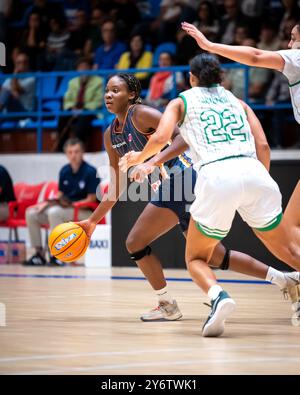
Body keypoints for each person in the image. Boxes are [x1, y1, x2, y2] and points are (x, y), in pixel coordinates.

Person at [77, 72, 300, 324]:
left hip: (185, 176)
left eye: (115, 90)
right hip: (181, 186)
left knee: (135, 242)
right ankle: (285, 279)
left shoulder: (141, 114)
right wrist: (92, 222)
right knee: (214, 256)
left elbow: (185, 137)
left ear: (131, 95)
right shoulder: (110, 135)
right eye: (107, 90)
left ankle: (168, 305)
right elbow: (117, 184)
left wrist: (150, 161)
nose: (108, 94)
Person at [181, 20, 300, 125]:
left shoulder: (297, 56)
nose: (289, 44)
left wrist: (210, 46)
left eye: (294, 39)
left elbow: (255, 56)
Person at [24, 138, 98, 267]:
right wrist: (47, 203)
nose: (73, 155)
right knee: (31, 213)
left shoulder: (90, 171)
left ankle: (56, 256)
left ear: (82, 152)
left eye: (76, 152)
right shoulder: (64, 170)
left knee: (54, 212)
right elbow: (60, 194)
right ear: (66, 154)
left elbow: (91, 199)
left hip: (84, 212)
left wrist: (70, 205)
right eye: (70, 152)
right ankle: (39, 254)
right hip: (64, 209)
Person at [55, 57, 103, 152]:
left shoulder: (99, 81)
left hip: (91, 110)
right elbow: (67, 99)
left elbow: (99, 100)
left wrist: (83, 109)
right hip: (74, 109)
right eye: (80, 67)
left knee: (82, 121)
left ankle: (78, 149)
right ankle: (61, 149)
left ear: (90, 68)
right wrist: (72, 107)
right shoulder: (72, 82)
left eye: (85, 67)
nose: (83, 70)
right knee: (63, 117)